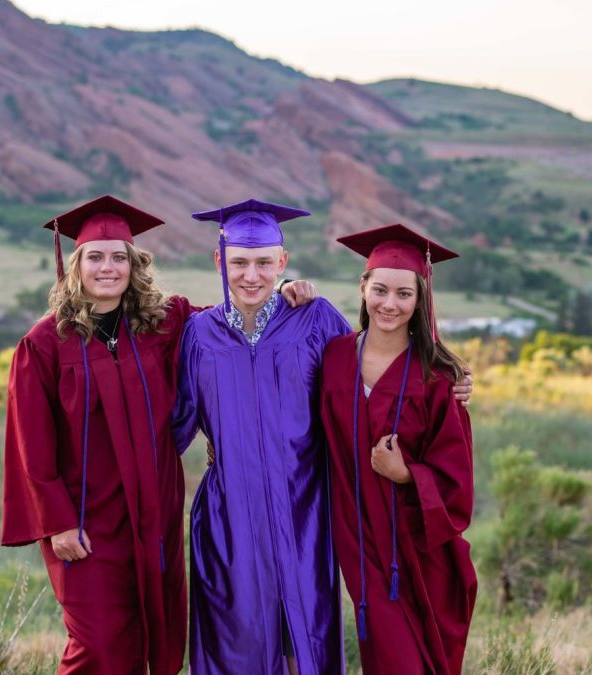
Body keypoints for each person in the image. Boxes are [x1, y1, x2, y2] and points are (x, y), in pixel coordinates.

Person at [0, 195, 312, 675]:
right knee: (99, 643)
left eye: (119, 256)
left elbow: (237, 321)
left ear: (134, 263)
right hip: (86, 522)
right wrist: (56, 521)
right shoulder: (45, 344)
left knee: (156, 636)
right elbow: (30, 442)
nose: (109, 268)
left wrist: (285, 292)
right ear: (75, 264)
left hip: (154, 515)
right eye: (96, 257)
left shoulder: (165, 322)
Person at [173, 201, 474, 674]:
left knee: (302, 640)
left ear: (283, 263)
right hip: (229, 517)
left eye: (264, 263)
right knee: (236, 644)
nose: (251, 275)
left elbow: (369, 386)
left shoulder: (314, 321)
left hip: (305, 517)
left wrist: (448, 381)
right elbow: (172, 424)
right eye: (239, 262)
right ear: (219, 262)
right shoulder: (197, 334)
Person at [319, 224, 477, 675]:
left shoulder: (438, 377)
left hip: (415, 545)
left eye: (404, 294)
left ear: (419, 300)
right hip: (355, 533)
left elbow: (456, 477)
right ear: (363, 288)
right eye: (381, 290)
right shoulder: (333, 357)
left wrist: (406, 473)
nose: (390, 304)